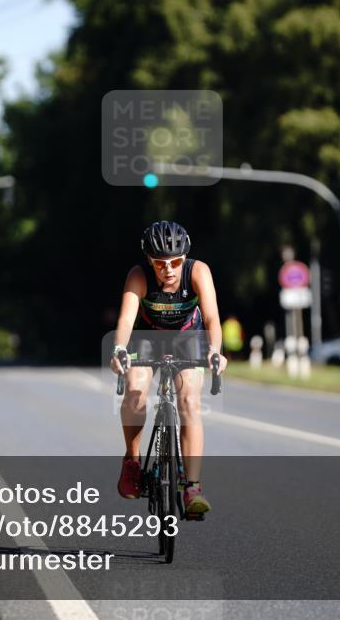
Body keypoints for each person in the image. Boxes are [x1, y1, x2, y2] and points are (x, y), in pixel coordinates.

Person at [110, 221, 227, 516]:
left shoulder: (198, 271)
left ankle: (192, 487)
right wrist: (119, 350)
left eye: (176, 262)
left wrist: (215, 351)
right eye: (160, 264)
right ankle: (133, 461)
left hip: (189, 337)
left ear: (185, 258)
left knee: (189, 399)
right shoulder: (139, 275)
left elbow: (212, 318)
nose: (169, 269)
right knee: (135, 389)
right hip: (149, 337)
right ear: (149, 260)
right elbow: (126, 320)